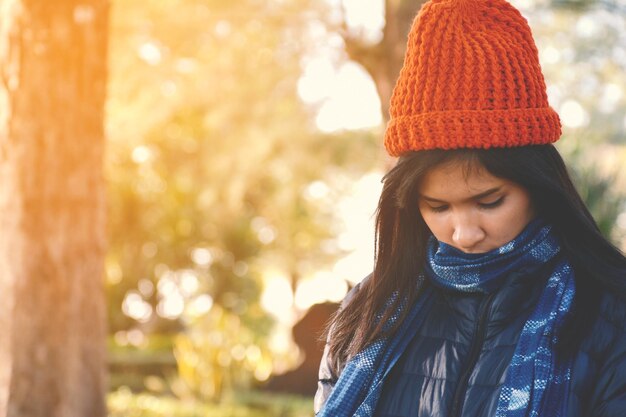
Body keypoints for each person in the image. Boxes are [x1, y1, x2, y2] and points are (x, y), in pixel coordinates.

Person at [314, 0, 626, 416]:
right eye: (438, 207)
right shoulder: (368, 311)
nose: (464, 233)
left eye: (490, 202)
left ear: (540, 185)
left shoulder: (608, 312)